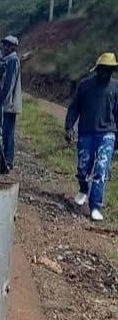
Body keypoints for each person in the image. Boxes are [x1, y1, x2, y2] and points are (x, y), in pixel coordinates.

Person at [64, 53, 118, 221]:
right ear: (97, 70)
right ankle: (83, 188)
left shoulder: (116, 88)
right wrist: (69, 127)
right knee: (83, 168)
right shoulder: (85, 86)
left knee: (101, 170)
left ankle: (95, 206)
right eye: (103, 69)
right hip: (86, 132)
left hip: (107, 134)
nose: (106, 73)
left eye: (110, 70)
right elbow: (74, 108)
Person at [0, 35, 22, 170]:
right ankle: (7, 160)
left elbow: (9, 84)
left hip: (9, 105)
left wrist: (2, 101)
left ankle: (8, 160)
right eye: (4, 44)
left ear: (13, 47)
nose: (4, 47)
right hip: (8, 104)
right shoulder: (8, 59)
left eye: (7, 45)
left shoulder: (12, 60)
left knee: (7, 133)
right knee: (7, 132)